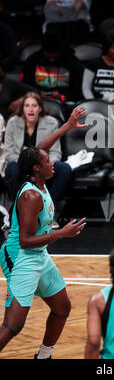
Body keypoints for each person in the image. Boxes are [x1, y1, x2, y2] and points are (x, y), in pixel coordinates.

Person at [0, 105, 87, 358]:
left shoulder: (38, 174)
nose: (52, 163)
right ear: (36, 168)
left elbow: (42, 149)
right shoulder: (30, 195)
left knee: (62, 308)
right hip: (20, 257)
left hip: (39, 255)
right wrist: (62, 233)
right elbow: (25, 241)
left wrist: (67, 126)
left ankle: (44, 356)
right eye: (47, 161)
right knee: (13, 325)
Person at [4, 92, 72, 209]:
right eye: (27, 106)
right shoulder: (12, 123)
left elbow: (56, 153)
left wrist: (42, 165)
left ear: (40, 108)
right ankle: (22, 210)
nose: (30, 109)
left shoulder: (51, 123)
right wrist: (28, 166)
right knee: (11, 167)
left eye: (34, 106)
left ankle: (48, 209)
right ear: (22, 109)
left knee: (64, 169)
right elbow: (9, 153)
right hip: (21, 165)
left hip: (42, 165)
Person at [21, 31, 84, 103]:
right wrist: (37, 93)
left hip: (65, 101)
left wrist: (63, 96)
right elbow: (25, 85)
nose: (51, 60)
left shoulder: (72, 61)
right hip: (37, 100)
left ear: (60, 50)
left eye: (54, 57)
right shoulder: (33, 60)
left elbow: (79, 89)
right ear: (43, 51)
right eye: (49, 57)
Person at [82, 33, 114, 107]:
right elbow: (86, 88)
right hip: (97, 102)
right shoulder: (93, 64)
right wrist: (94, 102)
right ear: (107, 49)